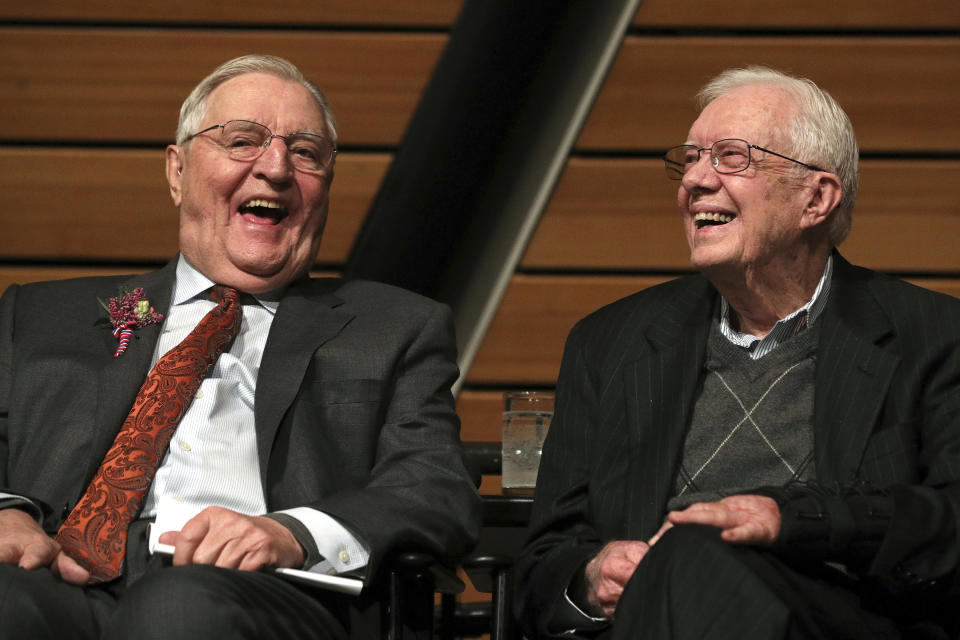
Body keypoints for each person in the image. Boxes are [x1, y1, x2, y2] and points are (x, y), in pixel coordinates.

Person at [0, 54, 480, 640]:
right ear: (177, 172)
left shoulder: (393, 326)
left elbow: (435, 488)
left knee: (175, 609)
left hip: (263, 594)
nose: (276, 168)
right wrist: (6, 511)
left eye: (306, 152)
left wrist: (294, 533)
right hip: (54, 574)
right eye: (242, 140)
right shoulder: (44, 316)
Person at [515, 66, 960, 639]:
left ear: (816, 197)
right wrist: (589, 575)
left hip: (837, 622)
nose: (695, 180)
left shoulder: (935, 336)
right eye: (691, 158)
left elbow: (949, 527)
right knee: (682, 560)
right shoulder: (610, 342)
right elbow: (540, 564)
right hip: (646, 623)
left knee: (693, 551)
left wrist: (787, 519)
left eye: (730, 157)